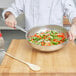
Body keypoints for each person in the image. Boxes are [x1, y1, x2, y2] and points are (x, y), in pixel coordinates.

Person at [2, 0, 76, 41]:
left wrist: (74, 25)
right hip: (32, 40)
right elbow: (11, 9)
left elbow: (73, 13)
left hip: (56, 39)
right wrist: (10, 16)